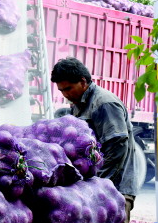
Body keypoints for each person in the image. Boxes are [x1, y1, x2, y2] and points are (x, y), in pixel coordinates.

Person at [50, 57, 137, 223]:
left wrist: (99, 182)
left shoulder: (104, 103)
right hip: (96, 187)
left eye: (68, 88)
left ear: (83, 82)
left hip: (115, 188)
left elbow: (117, 146)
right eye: (61, 91)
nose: (66, 94)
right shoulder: (78, 103)